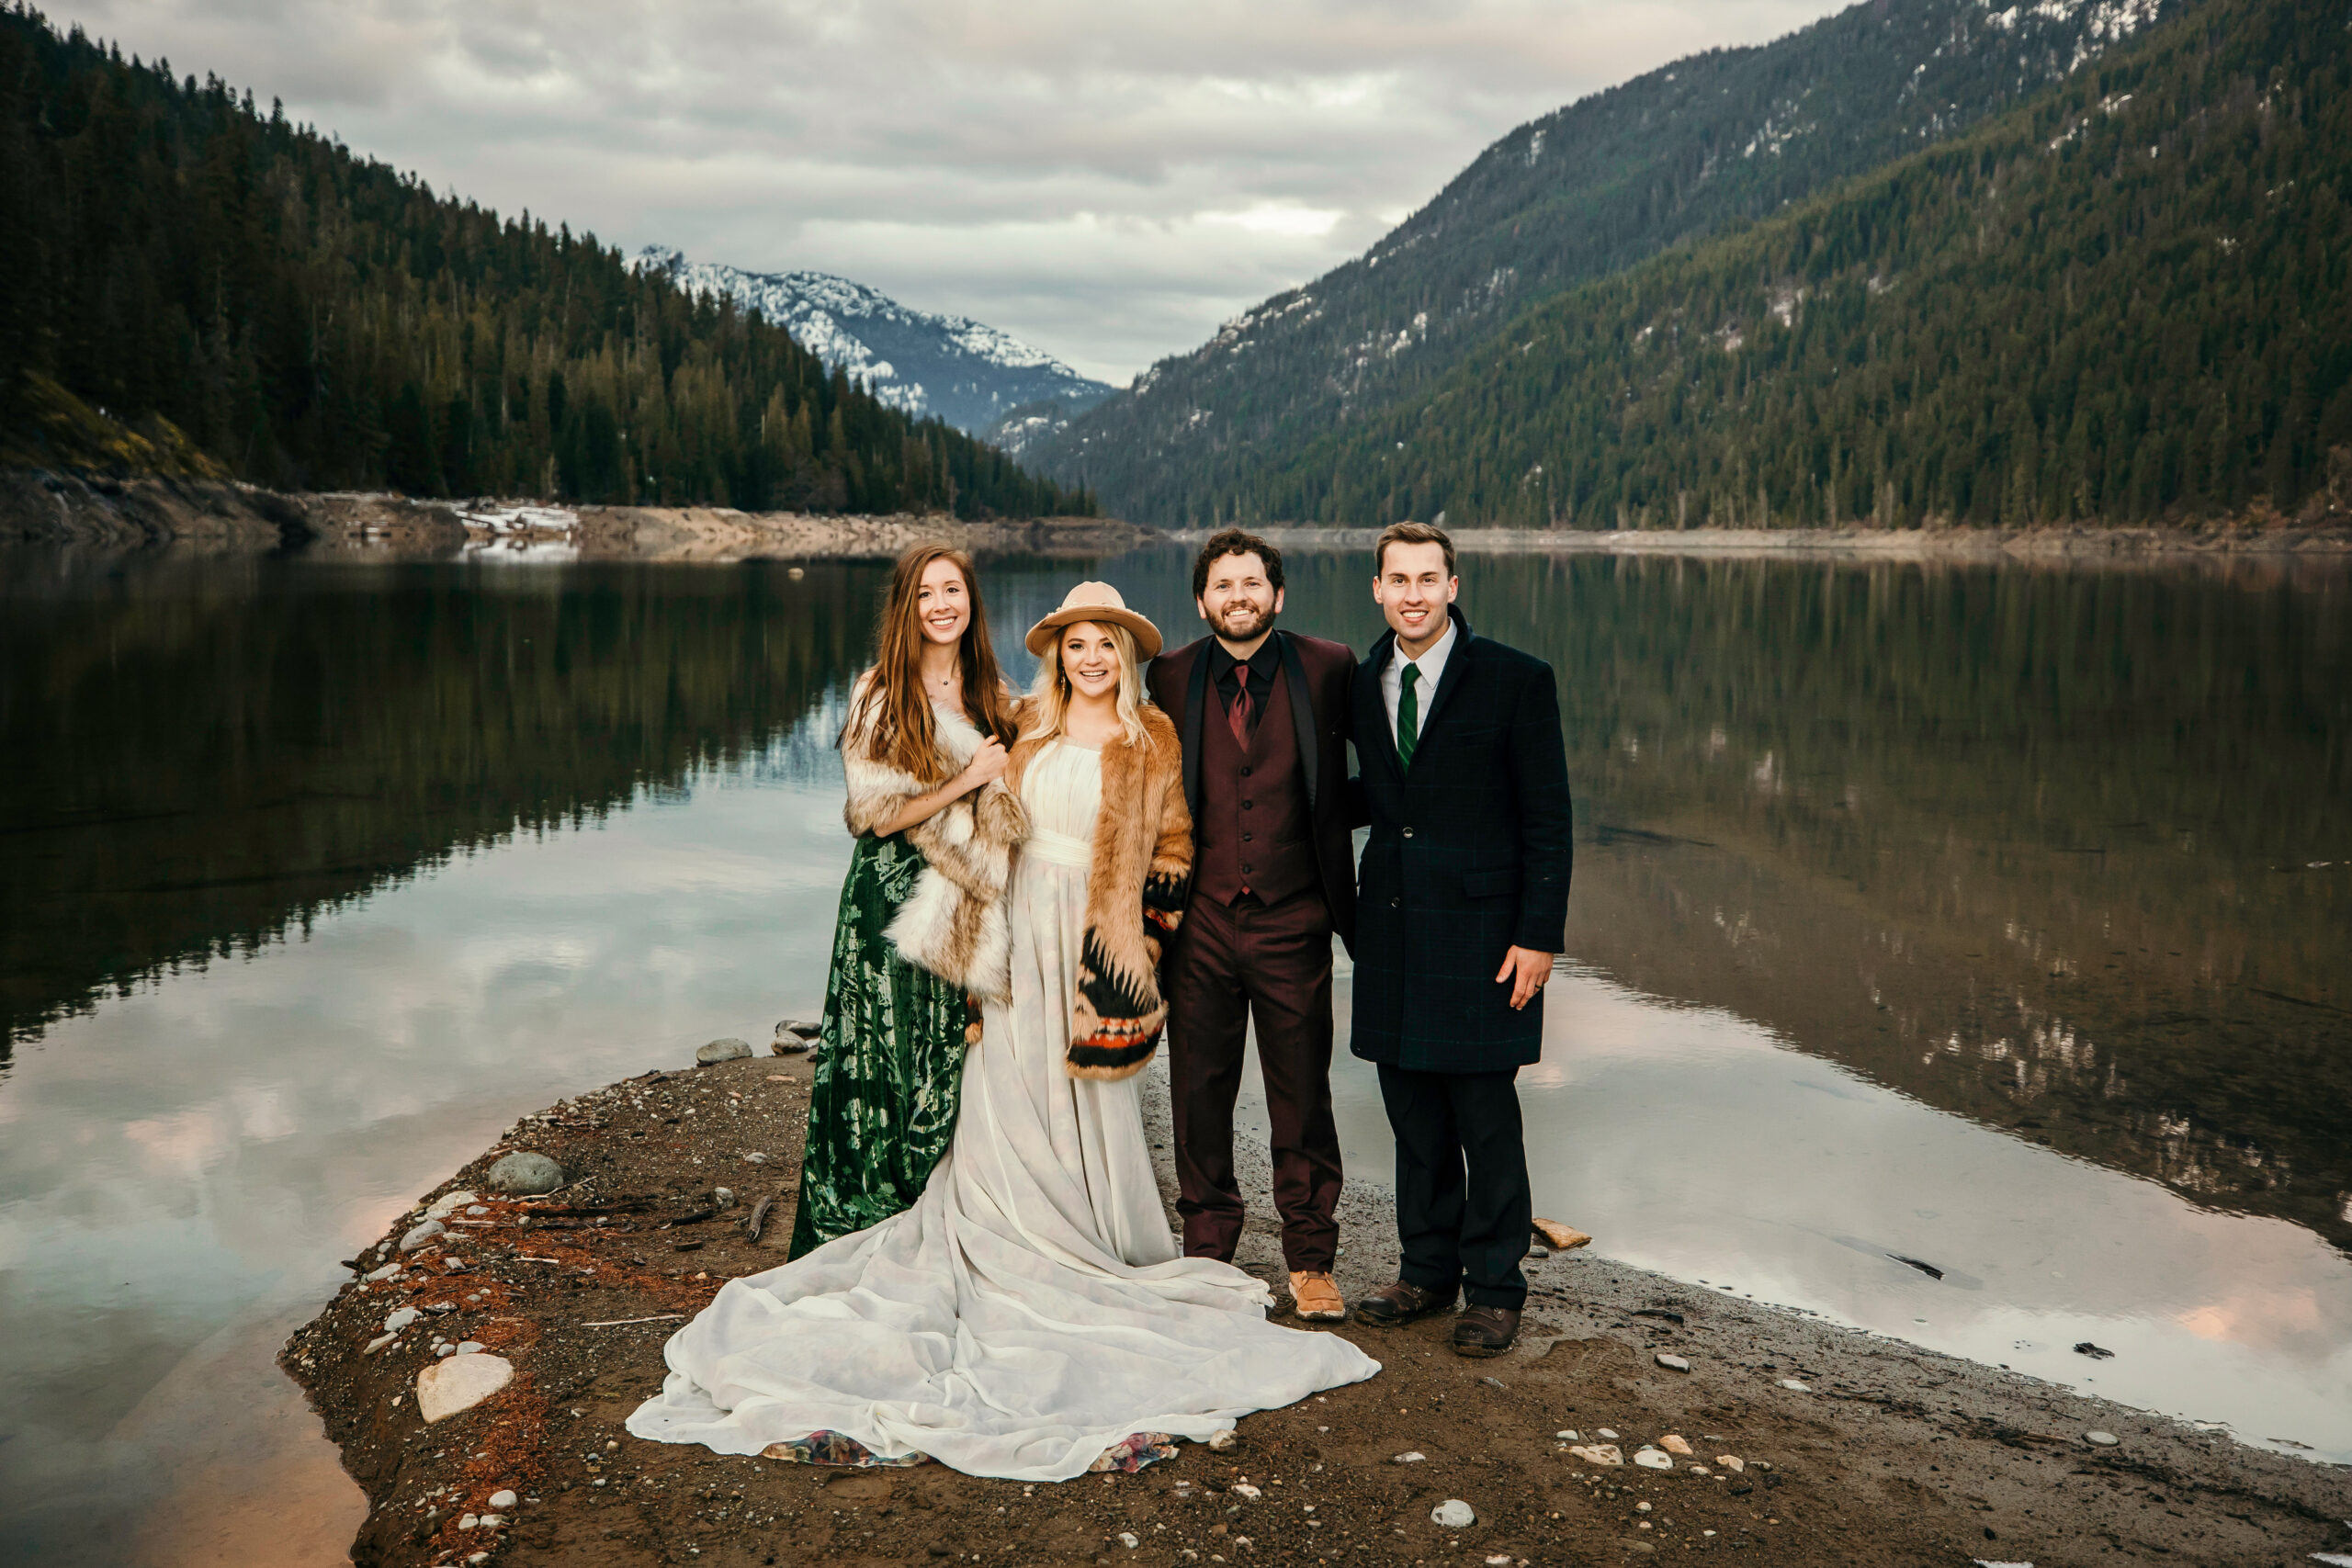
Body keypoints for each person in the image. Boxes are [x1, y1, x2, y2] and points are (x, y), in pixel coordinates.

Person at [628, 581, 1379, 1481]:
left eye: (1106, 644)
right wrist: (977, 955)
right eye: (1075, 644)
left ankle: (1098, 1239)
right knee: (1008, 1098)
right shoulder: (1024, 729)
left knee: (1094, 1104)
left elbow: (1173, 849)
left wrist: (1136, 947)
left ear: (1126, 655)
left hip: (1097, 947)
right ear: (1056, 654)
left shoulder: (1151, 739)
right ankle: (1006, 1233)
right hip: (1022, 939)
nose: (1091, 657)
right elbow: (966, 813)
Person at [1346, 522, 1573, 1358]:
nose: (1412, 593)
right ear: (1377, 588)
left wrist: (1537, 935)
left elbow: (1548, 819)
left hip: (1484, 939)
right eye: (1397, 579)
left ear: (1453, 585)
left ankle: (1496, 1289)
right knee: (1413, 1117)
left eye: (1427, 578)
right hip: (1396, 933)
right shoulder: (1362, 679)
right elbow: (1379, 794)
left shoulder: (1516, 680)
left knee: (1485, 1118)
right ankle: (1425, 1272)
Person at [786, 543, 1023, 1258]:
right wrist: (971, 775)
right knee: (883, 1054)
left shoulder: (992, 692)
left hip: (961, 905)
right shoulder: (879, 691)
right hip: (890, 900)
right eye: (926, 594)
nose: (942, 605)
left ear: (971, 602)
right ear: (906, 608)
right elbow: (876, 814)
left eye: (953, 590)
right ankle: (872, 1214)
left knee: (944, 1052)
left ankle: (941, 1203)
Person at [1146, 529, 1359, 1324]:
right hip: (1198, 920)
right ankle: (1208, 1244)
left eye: (1252, 583)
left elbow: (1365, 773)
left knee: (1301, 1092)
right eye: (1223, 585)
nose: (1238, 596)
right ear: (1202, 601)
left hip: (1294, 915)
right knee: (1198, 1087)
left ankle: (1310, 1256)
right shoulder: (1168, 674)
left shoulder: (1329, 667)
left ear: (1277, 593)